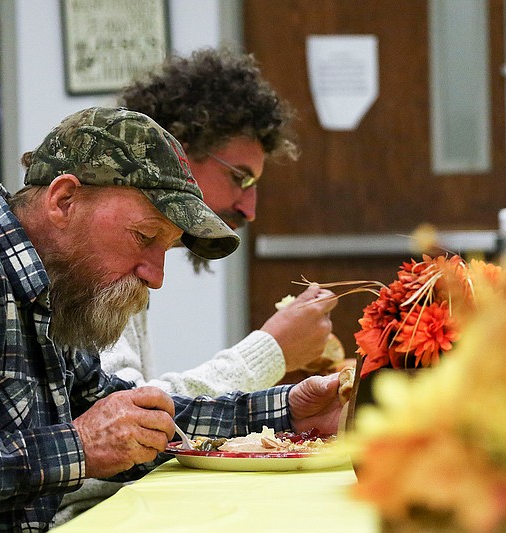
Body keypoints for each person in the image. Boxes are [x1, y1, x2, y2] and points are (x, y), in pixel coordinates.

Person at [0, 106, 347, 532]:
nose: (156, 275)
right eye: (144, 237)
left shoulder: (53, 288)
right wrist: (79, 447)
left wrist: (283, 414)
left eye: (169, 248)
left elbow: (134, 419)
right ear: (65, 199)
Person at [54, 47, 343, 524]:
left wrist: (285, 408)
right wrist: (269, 352)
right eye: (240, 177)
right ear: (179, 152)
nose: (248, 208)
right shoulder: (83, 263)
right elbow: (119, 425)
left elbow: (123, 414)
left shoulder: (126, 259)